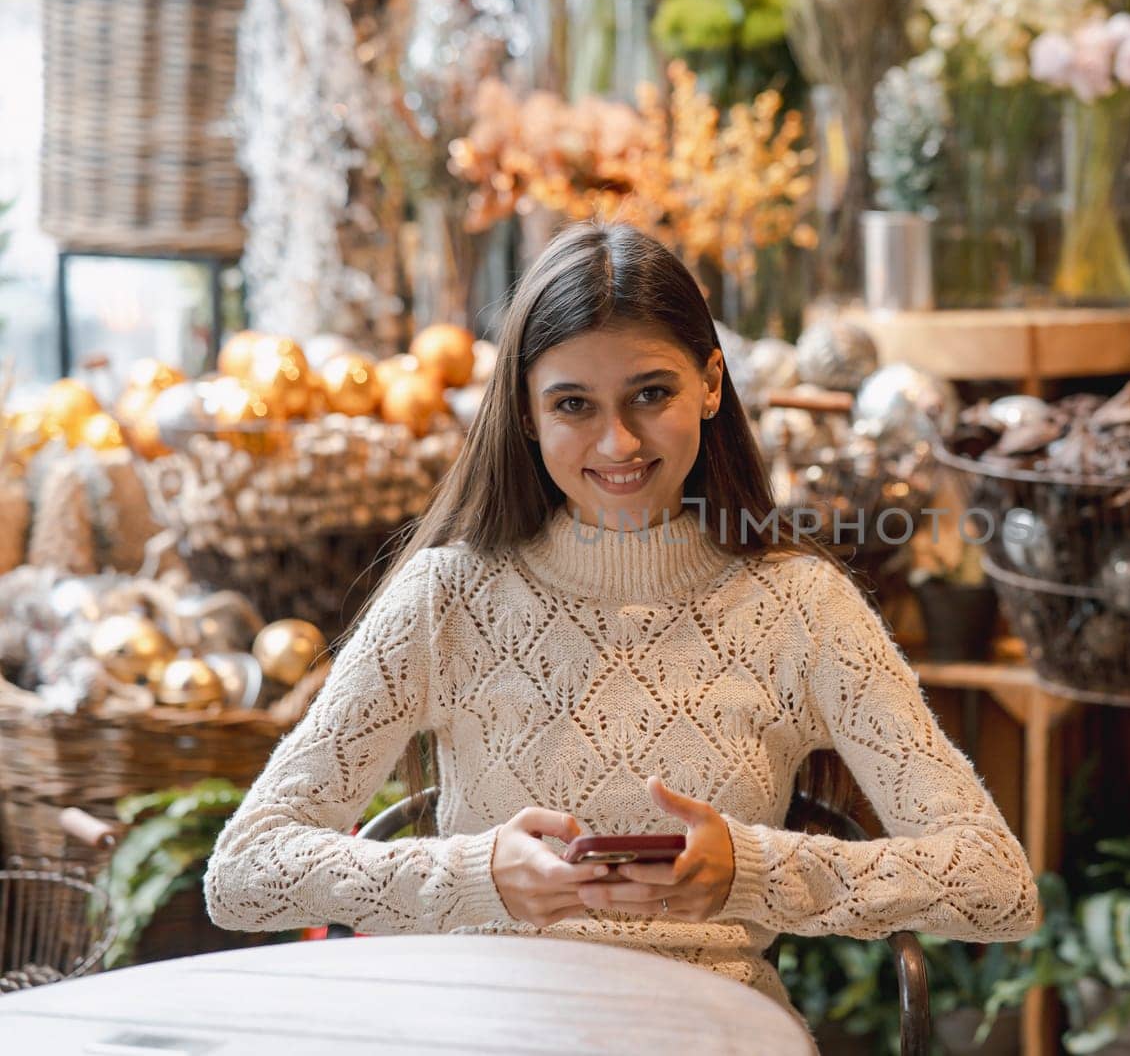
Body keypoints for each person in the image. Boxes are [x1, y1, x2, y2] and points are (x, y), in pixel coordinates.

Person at [203, 222, 1040, 1029]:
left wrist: (752, 870)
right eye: (574, 403)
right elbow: (245, 871)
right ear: (526, 412)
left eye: (651, 393)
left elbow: (995, 882)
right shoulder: (444, 599)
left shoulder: (801, 608)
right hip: (490, 1026)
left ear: (711, 383)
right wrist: (474, 874)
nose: (618, 440)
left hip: (713, 1032)